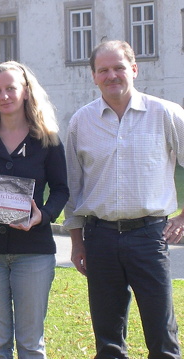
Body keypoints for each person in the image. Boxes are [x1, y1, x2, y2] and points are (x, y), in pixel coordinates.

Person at [64, 40, 184, 358]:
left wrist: (183, 217)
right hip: (99, 237)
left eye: (118, 67)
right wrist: (77, 242)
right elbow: (73, 189)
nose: (111, 75)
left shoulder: (166, 114)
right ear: (93, 76)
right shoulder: (80, 123)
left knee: (162, 333)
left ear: (134, 68)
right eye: (103, 70)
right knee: (108, 339)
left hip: (149, 236)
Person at [0, 61, 69, 358]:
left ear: (25, 91)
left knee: (31, 344)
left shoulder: (47, 139)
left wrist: (43, 215)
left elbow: (61, 190)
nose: (4, 95)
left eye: (11, 88)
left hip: (33, 251)